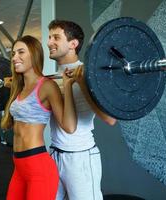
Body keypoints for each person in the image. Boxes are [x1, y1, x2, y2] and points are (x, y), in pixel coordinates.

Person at [1, 35, 77, 200]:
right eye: (13, 54)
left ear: (34, 55)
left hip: (38, 167)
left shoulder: (47, 86)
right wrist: (8, 83)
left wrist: (69, 86)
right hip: (19, 166)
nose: (15, 58)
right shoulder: (18, 87)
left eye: (21, 52)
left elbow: (69, 126)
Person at [47, 19, 117, 200]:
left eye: (56, 37)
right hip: (54, 154)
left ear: (73, 44)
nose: (49, 43)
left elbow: (110, 119)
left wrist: (82, 84)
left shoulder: (90, 75)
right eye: (49, 37)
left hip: (81, 158)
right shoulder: (52, 79)